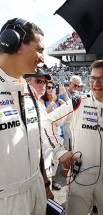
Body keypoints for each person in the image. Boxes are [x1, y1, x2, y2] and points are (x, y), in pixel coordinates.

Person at [43, 59, 103, 215]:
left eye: (102, 78)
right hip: (80, 174)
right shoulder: (77, 103)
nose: (96, 83)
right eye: (92, 78)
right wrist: (59, 151)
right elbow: (48, 122)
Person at [0, 18, 47, 214]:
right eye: (39, 49)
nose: (43, 58)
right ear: (15, 43)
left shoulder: (29, 90)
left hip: (36, 191)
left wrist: (44, 183)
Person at [24, 67, 54, 200]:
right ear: (26, 83)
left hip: (46, 165)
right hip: (37, 172)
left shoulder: (39, 104)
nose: (43, 85)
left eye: (44, 82)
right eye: (38, 81)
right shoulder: (25, 106)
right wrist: (46, 183)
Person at [40, 80, 66, 191]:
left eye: (53, 87)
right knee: (46, 162)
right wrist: (53, 102)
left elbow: (69, 108)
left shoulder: (58, 100)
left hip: (59, 135)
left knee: (55, 161)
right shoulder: (41, 101)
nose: (51, 89)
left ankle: (52, 180)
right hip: (47, 137)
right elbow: (43, 115)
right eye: (48, 87)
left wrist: (62, 95)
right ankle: (44, 184)